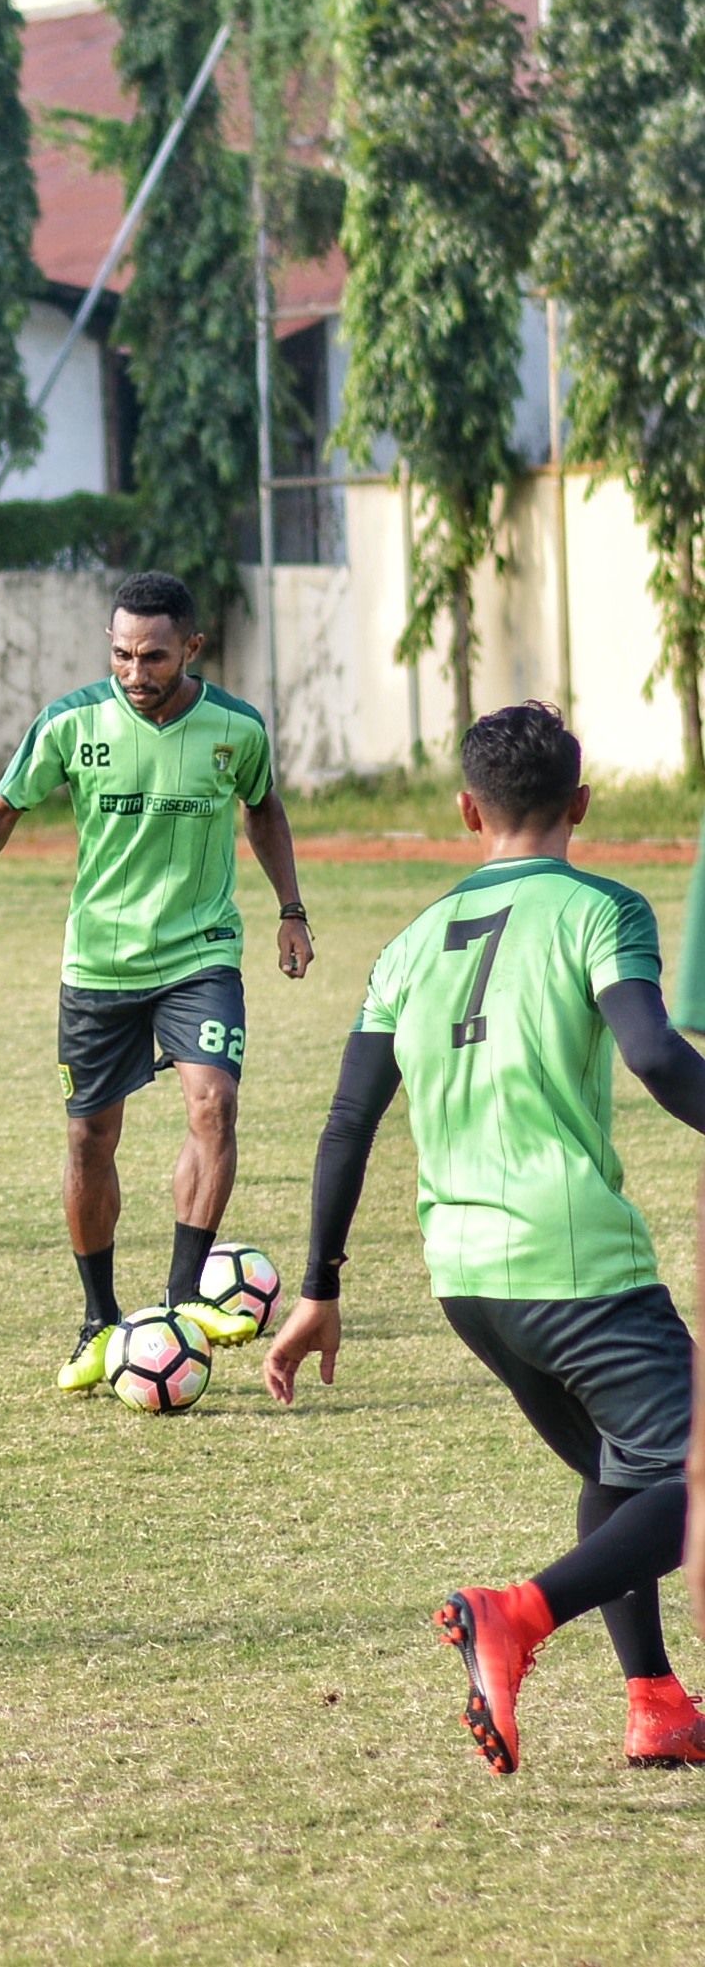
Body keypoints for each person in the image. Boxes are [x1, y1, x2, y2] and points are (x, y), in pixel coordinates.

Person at [269, 703, 705, 1773]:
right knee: (688, 1476)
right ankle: (515, 1612)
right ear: (583, 805)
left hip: (464, 1278)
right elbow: (651, 1052)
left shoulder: (408, 943)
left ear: (465, 809)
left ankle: (652, 1700)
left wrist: (318, 1284)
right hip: (574, 1262)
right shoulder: (601, 905)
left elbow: (344, 1123)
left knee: (621, 1467)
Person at [0, 571, 313, 1390]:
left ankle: (184, 1295)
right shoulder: (72, 722)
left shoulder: (236, 728)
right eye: (121, 653)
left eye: (153, 656)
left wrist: (290, 909)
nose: (134, 672)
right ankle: (99, 1319)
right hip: (99, 965)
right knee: (91, 1139)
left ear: (190, 648)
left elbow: (263, 807)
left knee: (213, 1103)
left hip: (201, 953)